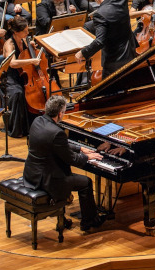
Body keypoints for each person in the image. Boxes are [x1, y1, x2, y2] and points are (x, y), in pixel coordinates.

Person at [24, 95, 105, 231]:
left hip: (32, 175)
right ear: (60, 113)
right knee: (86, 182)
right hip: (49, 181)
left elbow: (59, 145)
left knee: (67, 171)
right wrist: (88, 157)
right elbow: (71, 159)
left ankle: (70, 218)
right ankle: (89, 221)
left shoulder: (38, 121)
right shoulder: (57, 133)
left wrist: (80, 148)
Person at [74, 0, 137, 76]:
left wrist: (82, 53)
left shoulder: (99, 14)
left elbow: (100, 41)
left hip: (114, 62)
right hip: (130, 55)